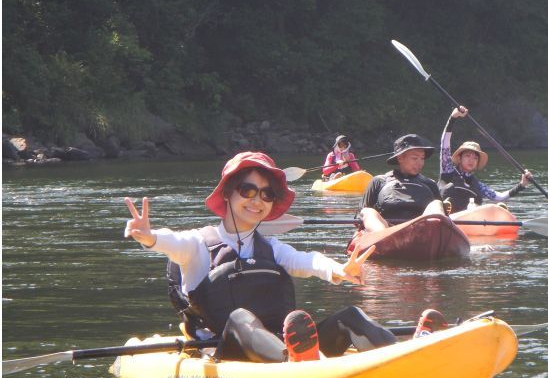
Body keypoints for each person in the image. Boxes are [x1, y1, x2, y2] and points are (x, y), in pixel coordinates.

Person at [124, 151, 444, 363]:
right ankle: (294, 361)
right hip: (227, 351)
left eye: (267, 194)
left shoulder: (271, 248)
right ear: (227, 194)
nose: (257, 200)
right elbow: (172, 243)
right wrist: (148, 236)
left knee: (350, 315)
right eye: (248, 190)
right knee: (240, 317)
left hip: (284, 349)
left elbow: (306, 260)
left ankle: (409, 355)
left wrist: (340, 269)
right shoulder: (197, 245)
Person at [439, 107, 533, 213]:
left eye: (475, 158)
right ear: (459, 158)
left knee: (496, 205)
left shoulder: (477, 185)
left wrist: (522, 185)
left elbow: (499, 197)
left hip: (468, 220)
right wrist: (453, 118)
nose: (472, 160)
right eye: (468, 156)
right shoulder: (448, 170)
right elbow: (444, 144)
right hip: (445, 217)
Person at [357, 134, 446, 232]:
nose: (420, 163)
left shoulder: (430, 184)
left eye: (422, 158)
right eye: (415, 158)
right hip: (386, 232)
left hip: (422, 233)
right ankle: (385, 237)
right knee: (367, 211)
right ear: (400, 158)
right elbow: (359, 218)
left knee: (436, 204)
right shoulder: (379, 181)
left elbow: (445, 218)